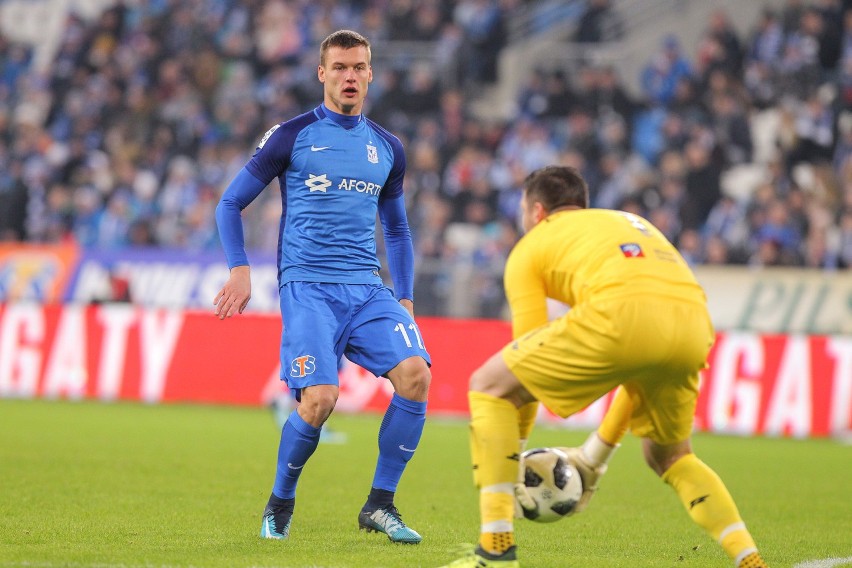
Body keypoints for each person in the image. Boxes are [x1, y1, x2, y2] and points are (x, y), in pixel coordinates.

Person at [441, 166, 767, 567]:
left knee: (489, 384)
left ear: (537, 212)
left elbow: (522, 364)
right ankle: (750, 559)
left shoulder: (532, 245)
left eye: (524, 212)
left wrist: (513, 458)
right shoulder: (626, 225)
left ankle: (495, 550)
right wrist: (595, 458)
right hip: (695, 321)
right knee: (671, 456)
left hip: (622, 313)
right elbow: (638, 368)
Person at [213, 29, 431, 544]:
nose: (349, 76)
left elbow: (397, 230)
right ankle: (280, 502)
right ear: (322, 73)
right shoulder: (291, 135)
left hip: (367, 289)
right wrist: (239, 267)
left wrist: (404, 298)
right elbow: (229, 204)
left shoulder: (387, 148)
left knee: (416, 375)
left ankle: (380, 505)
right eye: (339, 68)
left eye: (358, 67)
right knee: (320, 399)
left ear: (370, 74)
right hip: (307, 286)